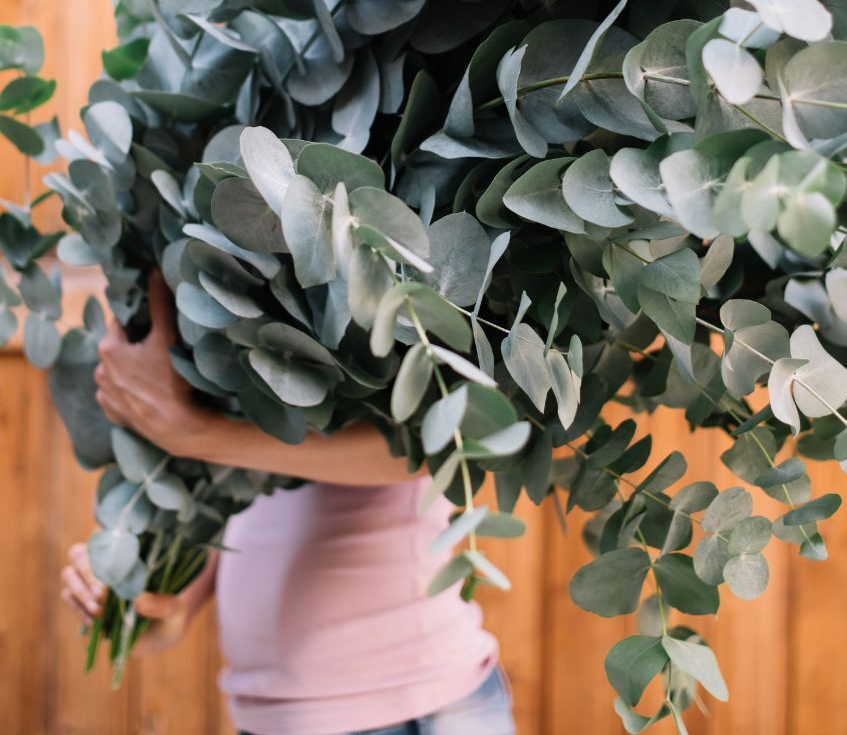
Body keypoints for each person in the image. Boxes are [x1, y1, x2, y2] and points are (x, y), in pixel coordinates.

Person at [59, 274, 515, 735]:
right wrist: (161, 604)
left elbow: (430, 451)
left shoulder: (372, 283)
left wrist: (199, 436)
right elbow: (247, 497)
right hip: (276, 716)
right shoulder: (238, 300)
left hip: (406, 708)